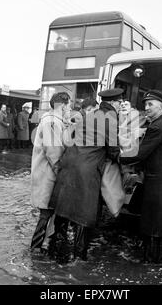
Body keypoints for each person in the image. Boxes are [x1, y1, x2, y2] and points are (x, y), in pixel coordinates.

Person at [49, 88, 123, 262]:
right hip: (86, 170)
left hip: (68, 164)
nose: (120, 106)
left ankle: (55, 253)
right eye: (120, 103)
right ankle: (78, 260)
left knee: (63, 210)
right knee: (83, 214)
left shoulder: (89, 115)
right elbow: (113, 151)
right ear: (114, 103)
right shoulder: (110, 119)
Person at [120, 90, 162, 264]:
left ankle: (152, 261)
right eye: (145, 104)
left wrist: (117, 155)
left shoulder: (157, 126)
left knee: (155, 223)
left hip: (160, 183)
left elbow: (139, 154)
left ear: (161, 106)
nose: (146, 108)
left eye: (150, 104)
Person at [30, 92, 71, 253]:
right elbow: (53, 152)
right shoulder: (52, 122)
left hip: (47, 174)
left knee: (48, 213)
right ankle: (36, 249)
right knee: (46, 214)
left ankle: (42, 248)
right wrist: (61, 174)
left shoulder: (54, 120)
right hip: (49, 175)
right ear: (63, 105)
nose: (70, 108)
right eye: (69, 105)